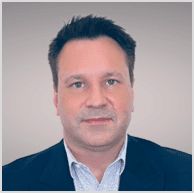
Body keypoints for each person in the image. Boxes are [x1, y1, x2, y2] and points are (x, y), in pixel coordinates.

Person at [2, 14, 192, 191]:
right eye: (77, 84)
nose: (96, 101)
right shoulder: (9, 182)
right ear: (55, 97)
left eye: (111, 81)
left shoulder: (188, 174)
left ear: (131, 92)